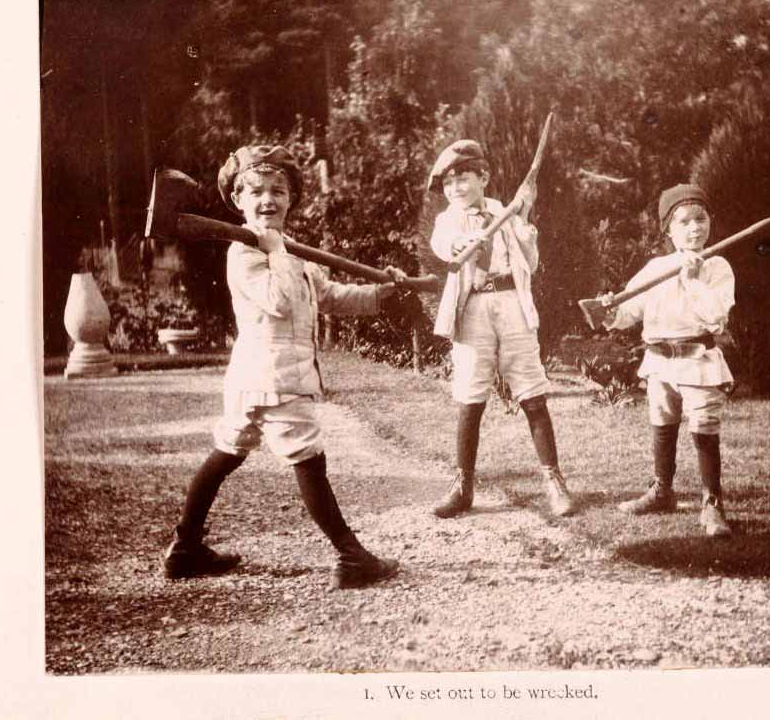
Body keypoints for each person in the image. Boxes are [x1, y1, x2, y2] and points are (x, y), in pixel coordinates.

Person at [163, 144, 403, 588]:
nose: (267, 200)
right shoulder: (246, 252)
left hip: (259, 376)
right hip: (275, 376)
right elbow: (278, 301)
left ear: (291, 199)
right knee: (308, 459)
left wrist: (378, 294)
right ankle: (351, 558)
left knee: (227, 453)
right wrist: (276, 252)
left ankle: (185, 548)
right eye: (255, 191)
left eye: (278, 190)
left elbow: (326, 296)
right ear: (238, 201)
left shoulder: (286, 250)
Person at [427, 139, 577, 519]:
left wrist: (523, 220)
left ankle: (554, 482)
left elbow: (532, 261)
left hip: (511, 303)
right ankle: (463, 486)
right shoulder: (448, 220)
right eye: (448, 183)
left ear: (484, 178)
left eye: (464, 179)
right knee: (470, 393)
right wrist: (467, 241)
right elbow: (445, 247)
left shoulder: (504, 211)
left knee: (531, 390)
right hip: (473, 307)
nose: (456, 188)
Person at [600, 183, 734, 538]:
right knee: (662, 423)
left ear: (710, 223)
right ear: (669, 230)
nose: (694, 228)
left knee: (704, 426)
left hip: (698, 359)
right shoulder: (654, 268)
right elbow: (629, 312)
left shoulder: (717, 266)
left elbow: (716, 318)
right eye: (684, 222)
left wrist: (692, 281)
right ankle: (662, 491)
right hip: (660, 362)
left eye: (701, 219)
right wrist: (609, 310)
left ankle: (712, 505)